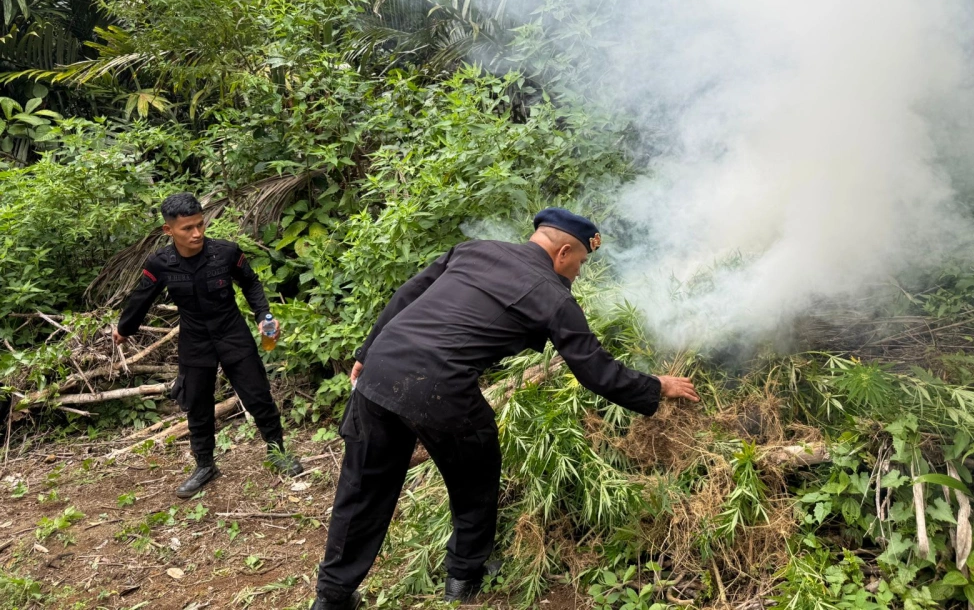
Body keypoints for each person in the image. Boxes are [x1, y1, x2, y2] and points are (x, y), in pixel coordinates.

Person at [311, 208, 700, 610]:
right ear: (564, 251)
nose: (579, 273)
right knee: (475, 479)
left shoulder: (474, 251)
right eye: (581, 262)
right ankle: (464, 576)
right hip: (442, 389)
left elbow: (407, 295)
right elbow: (596, 370)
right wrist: (656, 386)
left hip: (380, 371)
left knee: (361, 487)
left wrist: (366, 352)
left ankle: (333, 596)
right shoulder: (554, 296)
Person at [113, 193, 302, 498]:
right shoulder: (160, 264)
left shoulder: (225, 253)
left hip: (232, 332)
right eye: (187, 228)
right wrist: (124, 329)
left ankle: (277, 451)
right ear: (168, 230)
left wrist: (264, 316)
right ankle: (205, 465)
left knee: (257, 394)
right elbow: (141, 297)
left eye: (200, 225)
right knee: (197, 403)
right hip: (195, 340)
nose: (197, 233)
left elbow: (251, 283)